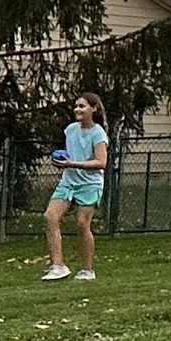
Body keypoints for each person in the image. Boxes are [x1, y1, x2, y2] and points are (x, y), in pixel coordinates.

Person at [42, 94, 109, 281]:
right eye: (76, 106)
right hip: (69, 181)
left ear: (94, 109)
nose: (77, 110)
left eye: (82, 106)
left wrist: (73, 164)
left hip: (90, 183)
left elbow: (101, 162)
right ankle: (58, 265)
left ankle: (87, 270)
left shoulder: (98, 134)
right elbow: (69, 156)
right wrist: (61, 162)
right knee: (50, 216)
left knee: (82, 224)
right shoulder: (70, 130)